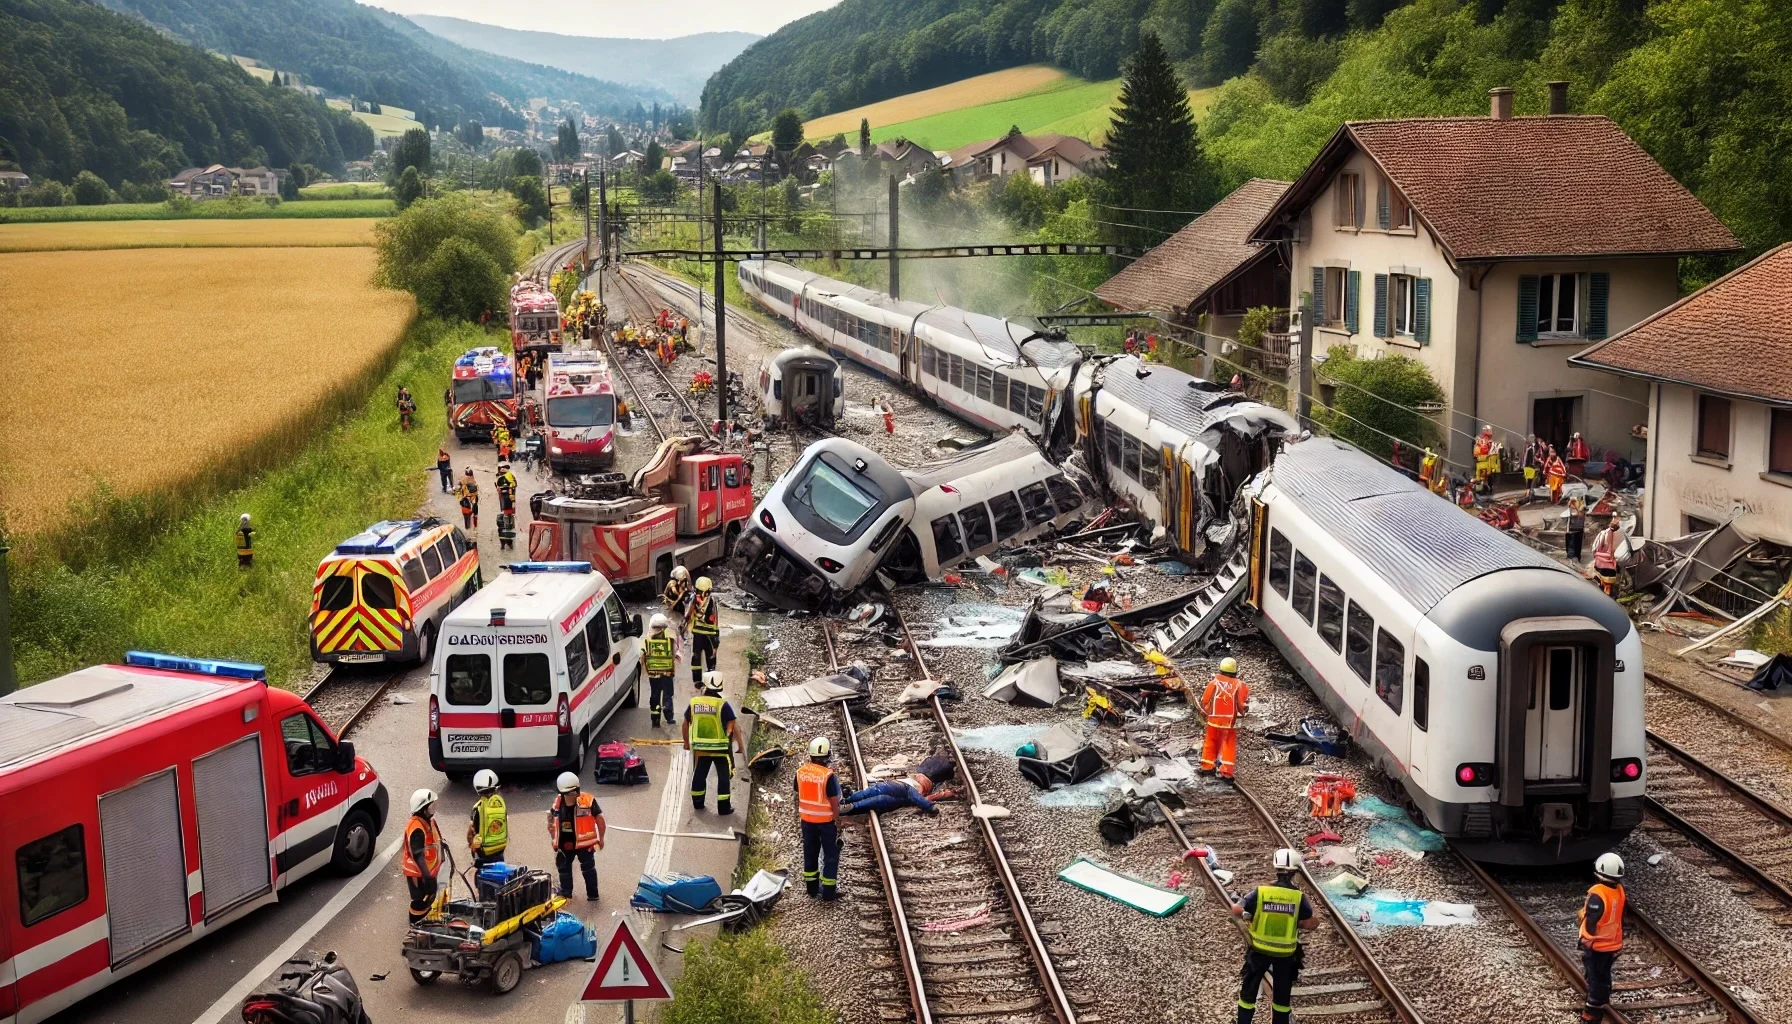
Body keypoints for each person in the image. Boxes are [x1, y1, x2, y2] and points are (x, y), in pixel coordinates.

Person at [1230, 849, 1318, 1024]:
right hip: (1285, 955)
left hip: (1259, 951)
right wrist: (1296, 923)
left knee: (1249, 991)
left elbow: (1237, 910)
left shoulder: (1261, 892)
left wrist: (1250, 915)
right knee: (1282, 996)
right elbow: (1311, 923)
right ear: (1295, 871)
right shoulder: (1298, 897)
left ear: (1276, 868)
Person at [684, 673, 743, 814]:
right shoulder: (722, 704)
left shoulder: (694, 703)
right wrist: (732, 738)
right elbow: (732, 724)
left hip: (701, 746)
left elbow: (686, 723)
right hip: (720, 747)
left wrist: (686, 742)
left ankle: (698, 803)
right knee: (723, 776)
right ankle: (723, 808)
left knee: (700, 773)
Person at [1578, 853, 1626, 1023]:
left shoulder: (1598, 894)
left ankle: (1592, 1011)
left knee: (1595, 976)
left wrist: (1588, 939)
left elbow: (1592, 920)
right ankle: (1604, 996)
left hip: (1597, 945)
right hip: (1612, 943)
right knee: (1604, 973)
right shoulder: (1619, 891)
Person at [796, 737, 843, 899]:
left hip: (807, 821)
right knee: (830, 856)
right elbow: (834, 800)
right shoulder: (827, 775)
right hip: (826, 823)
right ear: (827, 755)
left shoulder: (801, 772)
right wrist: (838, 820)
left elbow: (798, 791)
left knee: (810, 854)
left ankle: (812, 889)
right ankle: (829, 894)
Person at [546, 771, 604, 901]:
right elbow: (551, 821)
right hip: (566, 844)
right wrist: (554, 840)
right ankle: (568, 894)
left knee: (587, 869)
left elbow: (600, 819)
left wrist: (601, 838)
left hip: (584, 844)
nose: (573, 795)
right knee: (565, 869)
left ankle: (590, 894)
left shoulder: (588, 801)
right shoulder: (557, 803)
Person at [839, 753, 953, 816]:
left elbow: (925, 798)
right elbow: (925, 798)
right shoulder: (912, 788)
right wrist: (930, 807)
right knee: (875, 797)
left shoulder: (911, 787)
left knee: (874, 796)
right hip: (893, 789)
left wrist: (930, 806)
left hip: (891, 789)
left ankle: (849, 803)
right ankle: (850, 804)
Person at [1199, 657, 1249, 780]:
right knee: (1228, 744)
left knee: (1210, 741)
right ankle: (1226, 772)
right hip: (1228, 722)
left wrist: (1205, 711)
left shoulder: (1214, 682)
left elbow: (1205, 700)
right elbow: (1241, 704)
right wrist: (1244, 711)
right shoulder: (1240, 685)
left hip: (1213, 719)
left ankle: (1207, 766)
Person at [402, 789, 444, 925]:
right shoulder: (417, 828)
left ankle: (425, 924)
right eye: (431, 806)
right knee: (419, 902)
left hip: (428, 872)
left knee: (429, 900)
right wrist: (429, 878)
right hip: (419, 875)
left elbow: (436, 841)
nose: (434, 808)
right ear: (422, 808)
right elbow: (418, 855)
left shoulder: (428, 821)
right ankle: (415, 928)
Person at [644, 613, 679, 727]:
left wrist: (646, 669)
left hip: (653, 673)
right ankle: (669, 718)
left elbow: (643, 654)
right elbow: (675, 653)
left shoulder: (648, 638)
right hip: (667, 672)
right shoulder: (670, 636)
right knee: (668, 694)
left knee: (655, 694)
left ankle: (655, 718)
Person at [467, 769, 507, 866]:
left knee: (482, 877)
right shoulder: (499, 803)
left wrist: (471, 845)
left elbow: (472, 832)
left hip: (483, 852)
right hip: (500, 848)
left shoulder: (477, 807)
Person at [687, 576, 720, 684]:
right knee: (708, 657)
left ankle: (698, 680)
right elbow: (715, 620)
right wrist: (716, 638)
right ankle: (709, 680)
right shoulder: (711, 602)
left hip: (698, 634)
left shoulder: (693, 601)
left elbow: (688, 616)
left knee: (697, 657)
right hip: (708, 636)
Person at [1592, 521, 1622, 595]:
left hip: (1604, 563)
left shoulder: (1603, 534)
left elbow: (1595, 548)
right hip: (1613, 564)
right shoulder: (1621, 534)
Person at [663, 565, 694, 633]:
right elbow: (668, 594)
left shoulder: (685, 583)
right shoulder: (672, 584)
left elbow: (689, 590)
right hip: (673, 606)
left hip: (680, 606)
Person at [1473, 425, 1498, 489]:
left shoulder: (1489, 441)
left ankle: (1486, 488)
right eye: (1489, 431)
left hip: (1486, 461)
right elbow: (1477, 451)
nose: (1490, 432)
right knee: (1481, 476)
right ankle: (1481, 489)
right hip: (1482, 460)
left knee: (1487, 476)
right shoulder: (1481, 440)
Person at [1565, 498, 1586, 562]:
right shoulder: (1572, 510)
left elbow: (1577, 514)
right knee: (1574, 547)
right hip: (1573, 531)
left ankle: (1572, 559)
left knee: (1574, 548)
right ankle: (1573, 559)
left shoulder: (1577, 512)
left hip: (1575, 531)